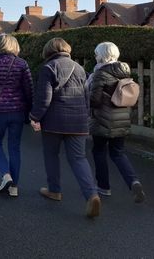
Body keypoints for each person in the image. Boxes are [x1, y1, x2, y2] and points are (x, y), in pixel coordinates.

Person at [29, 37, 101, 218]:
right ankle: (91, 194)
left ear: (48, 51)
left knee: (51, 155)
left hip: (54, 122)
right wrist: (84, 118)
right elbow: (86, 97)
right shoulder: (80, 68)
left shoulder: (48, 68)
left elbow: (44, 98)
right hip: (78, 122)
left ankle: (54, 190)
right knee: (78, 158)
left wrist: (34, 117)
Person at [88, 41, 145, 203]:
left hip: (102, 120)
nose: (95, 56)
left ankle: (104, 187)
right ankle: (133, 181)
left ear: (102, 55)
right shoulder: (125, 72)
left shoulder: (100, 73)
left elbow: (95, 100)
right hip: (122, 119)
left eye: (96, 53)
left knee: (98, 152)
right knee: (118, 153)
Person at [0, 34, 33, 198]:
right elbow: (29, 90)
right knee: (14, 147)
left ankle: (6, 174)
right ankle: (14, 187)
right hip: (17, 111)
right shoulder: (21, 64)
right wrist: (29, 111)